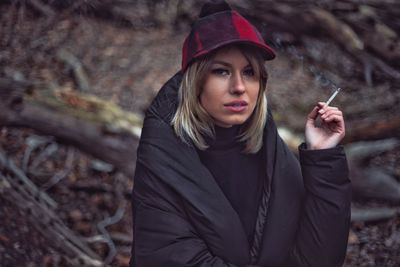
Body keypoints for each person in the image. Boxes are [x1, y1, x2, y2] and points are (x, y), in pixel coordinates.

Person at [129, 1, 351, 266]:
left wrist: (322, 157)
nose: (239, 87)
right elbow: (169, 257)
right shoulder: (163, 154)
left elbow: (318, 259)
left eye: (249, 72)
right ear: (195, 82)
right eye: (221, 71)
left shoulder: (271, 153)